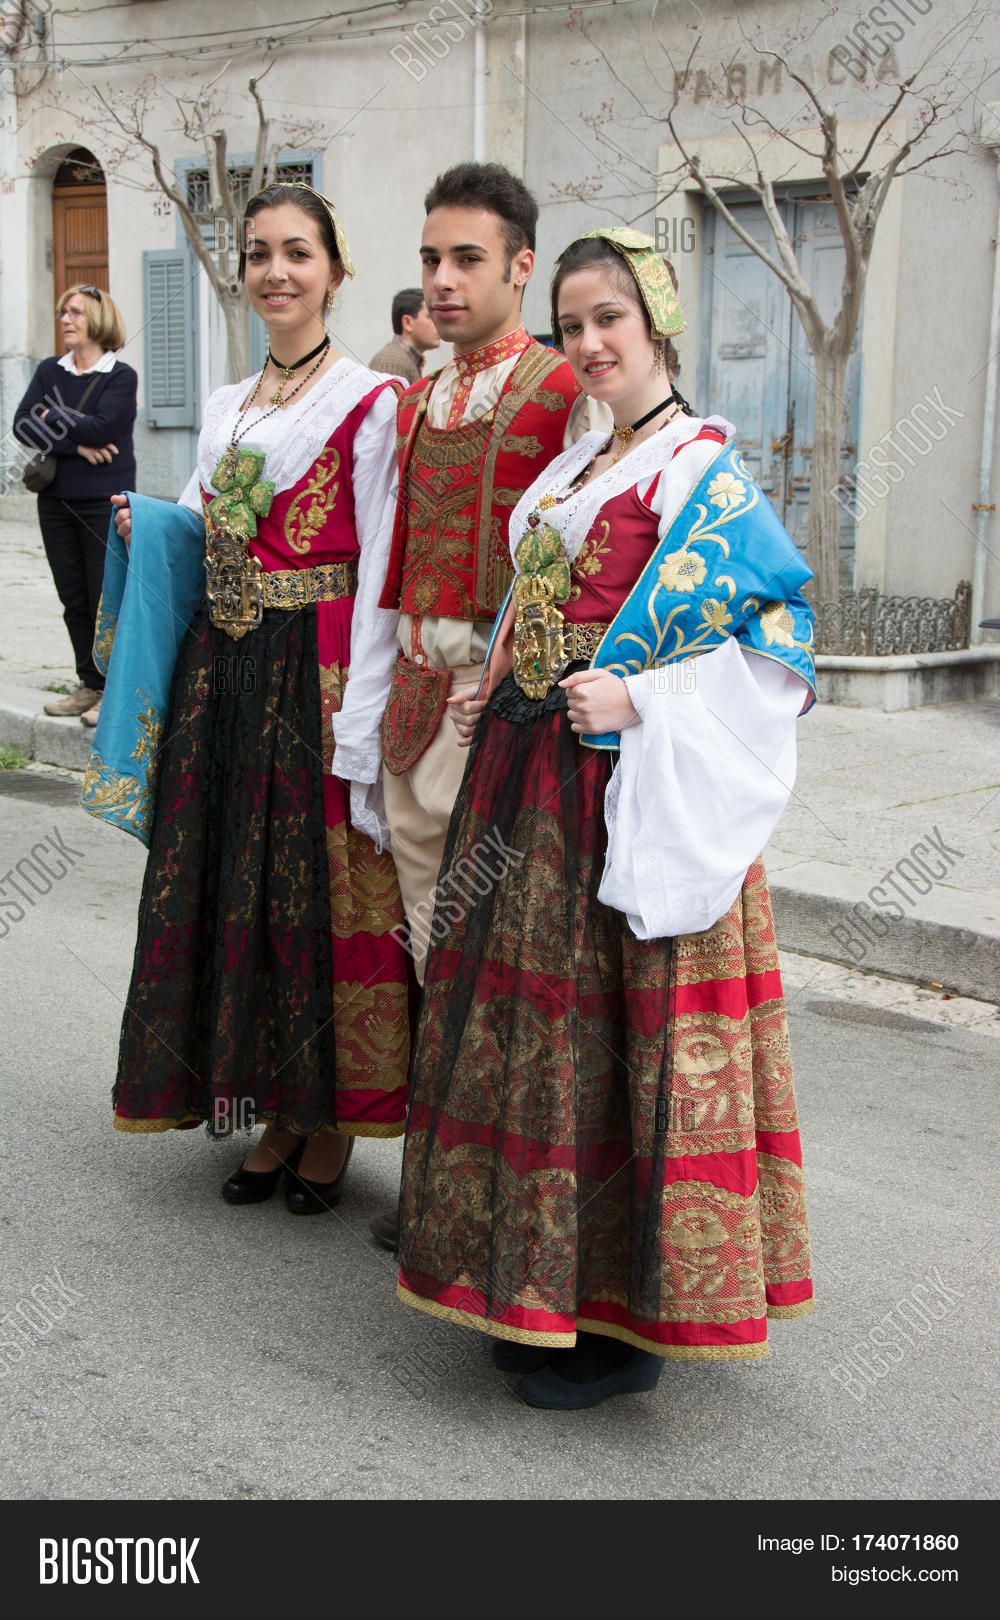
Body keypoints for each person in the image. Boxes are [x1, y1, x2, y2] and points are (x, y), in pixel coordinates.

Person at [396, 228, 816, 1409]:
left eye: (608, 320)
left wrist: (643, 699)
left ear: (656, 324)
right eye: (571, 324)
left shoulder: (700, 472)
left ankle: (621, 1324)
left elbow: (781, 641)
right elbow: (539, 603)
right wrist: (495, 676)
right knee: (533, 1043)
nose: (587, 344)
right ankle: (534, 1285)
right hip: (525, 777)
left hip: (619, 791)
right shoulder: (578, 466)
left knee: (611, 1044)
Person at [94, 182, 411, 1211]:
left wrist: (363, 714)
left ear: (335, 270)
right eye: (261, 253)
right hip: (225, 670)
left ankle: (327, 1120)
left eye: (298, 252)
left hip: (314, 667)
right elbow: (199, 529)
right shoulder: (229, 404)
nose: (277, 271)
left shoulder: (371, 402)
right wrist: (148, 522)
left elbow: (380, 569)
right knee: (243, 888)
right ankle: (272, 1107)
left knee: (312, 899)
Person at [367, 161, 594, 1252]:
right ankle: (438, 1184)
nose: (443, 281)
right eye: (431, 260)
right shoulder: (416, 401)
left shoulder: (566, 391)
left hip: (504, 706)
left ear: (520, 266)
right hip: (413, 696)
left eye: (467, 259)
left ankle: (504, 1207)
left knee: (496, 956)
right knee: (427, 945)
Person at [12, 285, 137, 728]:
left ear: (99, 320)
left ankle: (114, 690)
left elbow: (106, 427)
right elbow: (23, 424)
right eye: (63, 311)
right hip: (55, 501)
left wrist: (53, 418)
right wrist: (77, 446)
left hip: (105, 503)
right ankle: (89, 684)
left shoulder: (120, 376)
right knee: (73, 599)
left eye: (76, 312)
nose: (66, 319)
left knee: (106, 598)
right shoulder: (50, 370)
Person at [369, 289, 440, 383]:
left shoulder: (405, 361)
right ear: (407, 323)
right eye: (430, 317)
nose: (439, 323)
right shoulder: (392, 363)